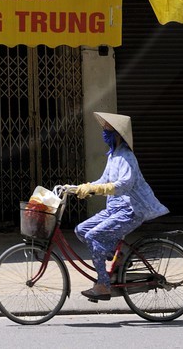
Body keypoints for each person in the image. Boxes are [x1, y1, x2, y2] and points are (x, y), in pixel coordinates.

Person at [67, 110, 168, 301]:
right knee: (81, 230)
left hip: (131, 210)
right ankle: (117, 257)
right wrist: (78, 188)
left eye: (108, 129)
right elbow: (104, 180)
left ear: (118, 134)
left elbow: (123, 185)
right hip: (115, 209)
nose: (104, 132)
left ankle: (103, 285)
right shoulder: (113, 156)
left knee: (94, 236)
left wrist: (98, 189)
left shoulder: (127, 157)